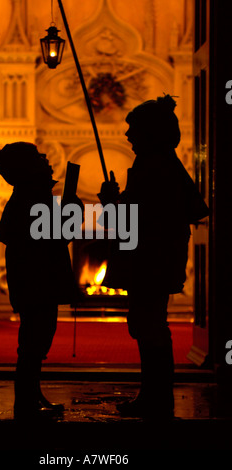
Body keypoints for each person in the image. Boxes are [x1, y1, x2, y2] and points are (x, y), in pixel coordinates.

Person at [98, 95, 209, 419]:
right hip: (156, 257)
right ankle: (154, 395)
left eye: (133, 129)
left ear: (150, 132)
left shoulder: (154, 166)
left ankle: (155, 398)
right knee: (150, 323)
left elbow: (137, 218)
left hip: (151, 260)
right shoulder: (161, 162)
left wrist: (109, 202)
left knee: (148, 324)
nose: (128, 136)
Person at [0, 142, 83, 419]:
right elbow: (56, 237)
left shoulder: (33, 194)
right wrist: (72, 210)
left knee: (36, 338)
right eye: (40, 158)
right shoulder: (33, 196)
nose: (47, 161)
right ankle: (26, 402)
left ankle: (32, 395)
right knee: (34, 340)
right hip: (37, 280)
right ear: (30, 167)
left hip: (36, 279)